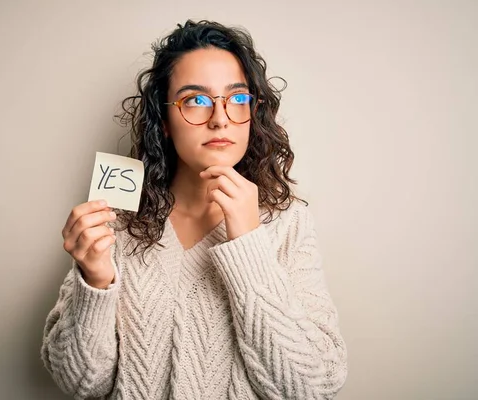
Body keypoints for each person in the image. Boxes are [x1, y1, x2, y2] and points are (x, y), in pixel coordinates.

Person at [41, 19, 348, 399]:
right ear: (165, 121)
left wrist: (250, 247)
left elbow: (313, 386)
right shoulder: (117, 224)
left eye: (237, 98)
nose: (220, 118)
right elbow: (82, 383)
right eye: (196, 100)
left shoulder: (288, 224)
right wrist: (96, 281)